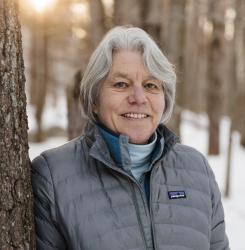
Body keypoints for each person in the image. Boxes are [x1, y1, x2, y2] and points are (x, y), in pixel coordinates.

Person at [32, 26, 230, 250]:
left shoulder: (197, 169)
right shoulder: (52, 175)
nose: (138, 98)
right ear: (95, 99)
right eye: (121, 84)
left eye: (150, 85)